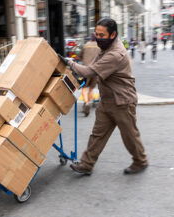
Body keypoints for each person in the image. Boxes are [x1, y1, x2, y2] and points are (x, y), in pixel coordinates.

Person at [59, 18, 148, 175]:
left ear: (113, 34)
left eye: (102, 35)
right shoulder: (106, 47)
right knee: (97, 135)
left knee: (129, 135)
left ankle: (140, 161)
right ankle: (86, 164)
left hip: (122, 102)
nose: (98, 38)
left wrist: (69, 63)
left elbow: (89, 71)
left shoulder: (115, 54)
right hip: (107, 100)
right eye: (96, 34)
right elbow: (91, 68)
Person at [78, 34, 101, 116]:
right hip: (95, 70)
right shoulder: (100, 46)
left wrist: (84, 60)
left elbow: (79, 56)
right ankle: (89, 102)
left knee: (84, 87)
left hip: (85, 70)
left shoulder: (86, 45)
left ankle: (86, 103)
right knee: (91, 88)